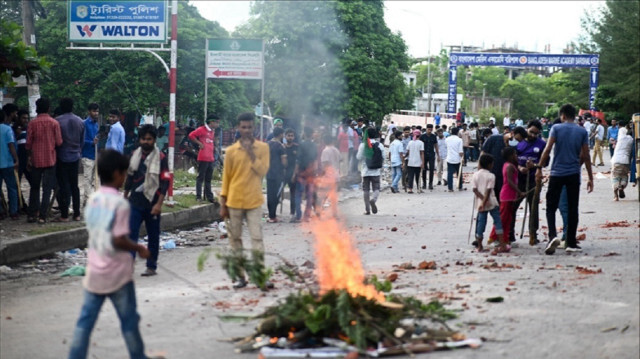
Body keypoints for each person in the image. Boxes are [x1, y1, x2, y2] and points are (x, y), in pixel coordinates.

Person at [67, 149, 159, 359]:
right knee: (129, 321)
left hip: (95, 271)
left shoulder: (93, 200)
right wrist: (139, 249)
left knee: (85, 322)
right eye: (125, 173)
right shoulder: (120, 204)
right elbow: (118, 239)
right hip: (118, 274)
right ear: (118, 174)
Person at [219, 113, 271, 289]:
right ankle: (240, 276)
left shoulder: (263, 148)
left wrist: (251, 153)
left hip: (254, 201)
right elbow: (226, 178)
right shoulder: (231, 151)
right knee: (235, 240)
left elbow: (263, 171)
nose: (247, 130)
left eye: (249, 127)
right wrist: (222, 203)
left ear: (254, 128)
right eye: (243, 127)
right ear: (238, 128)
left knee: (257, 238)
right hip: (234, 200)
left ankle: (259, 275)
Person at [536, 104, 594, 254]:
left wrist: (539, 168)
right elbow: (586, 155)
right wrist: (590, 177)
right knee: (573, 207)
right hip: (573, 174)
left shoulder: (556, 128)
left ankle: (552, 236)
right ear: (574, 115)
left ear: (562, 115)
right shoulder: (582, 131)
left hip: (557, 173)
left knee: (551, 206)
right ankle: (571, 242)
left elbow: (547, 149)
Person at [124, 125, 170, 277]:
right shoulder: (134, 155)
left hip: (152, 203)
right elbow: (129, 177)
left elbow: (165, 181)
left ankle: (151, 266)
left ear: (154, 140)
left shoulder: (161, 158)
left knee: (153, 236)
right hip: (135, 202)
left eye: (149, 139)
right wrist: (124, 196)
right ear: (140, 139)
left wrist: (159, 204)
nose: (146, 142)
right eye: (143, 139)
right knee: (131, 235)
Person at [26, 98, 63, 223]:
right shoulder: (54, 123)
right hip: (50, 160)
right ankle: (42, 216)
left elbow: (28, 144)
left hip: (36, 160)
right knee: (47, 189)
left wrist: (29, 157)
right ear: (48, 108)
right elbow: (59, 142)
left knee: (34, 187)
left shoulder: (32, 123)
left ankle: (32, 214)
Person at [511, 122, 546, 244]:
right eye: (531, 132)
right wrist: (519, 167)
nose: (533, 135)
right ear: (526, 129)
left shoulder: (542, 144)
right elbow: (510, 160)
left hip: (533, 181)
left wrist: (535, 166)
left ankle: (533, 235)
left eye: (536, 133)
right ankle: (510, 234)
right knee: (512, 206)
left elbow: (545, 162)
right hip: (517, 181)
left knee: (533, 208)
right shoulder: (518, 142)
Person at [55, 98, 85, 222]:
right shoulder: (80, 121)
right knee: (75, 186)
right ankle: (77, 213)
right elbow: (82, 141)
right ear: (72, 107)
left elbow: (56, 141)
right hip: (75, 156)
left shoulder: (57, 121)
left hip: (62, 156)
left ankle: (64, 214)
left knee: (64, 186)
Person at [489, 147, 522, 253]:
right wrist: (519, 191)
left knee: (508, 219)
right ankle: (494, 237)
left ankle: (505, 239)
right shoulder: (509, 167)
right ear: (510, 156)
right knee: (503, 218)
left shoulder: (509, 165)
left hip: (510, 195)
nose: (516, 156)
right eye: (515, 154)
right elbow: (509, 181)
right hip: (507, 195)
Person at [471, 154, 502, 252]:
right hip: (491, 202)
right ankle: (502, 243)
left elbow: (475, 190)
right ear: (489, 165)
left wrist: (482, 201)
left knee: (481, 223)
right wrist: (486, 201)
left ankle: (479, 245)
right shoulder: (491, 176)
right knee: (497, 221)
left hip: (480, 203)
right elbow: (488, 191)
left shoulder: (475, 175)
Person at [188, 115, 219, 203]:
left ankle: (210, 197)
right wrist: (199, 143)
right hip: (203, 157)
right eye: (216, 122)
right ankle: (198, 197)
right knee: (200, 177)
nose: (217, 124)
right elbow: (191, 135)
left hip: (210, 158)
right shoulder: (202, 129)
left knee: (208, 179)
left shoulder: (212, 131)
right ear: (211, 122)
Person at [356, 127, 385, 214]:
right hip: (376, 171)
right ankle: (373, 200)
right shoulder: (380, 145)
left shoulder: (363, 145)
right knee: (376, 188)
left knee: (366, 190)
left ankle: (367, 210)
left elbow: (358, 157)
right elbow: (383, 157)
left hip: (365, 171)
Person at [295, 126, 318, 222]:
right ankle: (306, 216)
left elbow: (298, 160)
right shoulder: (314, 145)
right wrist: (315, 170)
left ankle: (298, 214)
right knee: (309, 194)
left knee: (299, 194)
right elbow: (316, 159)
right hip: (311, 172)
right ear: (312, 134)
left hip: (301, 173)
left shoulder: (301, 145)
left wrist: (295, 172)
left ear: (304, 133)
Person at [0, 110, 19, 220]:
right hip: (7, 163)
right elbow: (11, 145)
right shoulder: (7, 129)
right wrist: (16, 159)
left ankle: (1, 211)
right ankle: (14, 212)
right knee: (12, 188)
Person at [82, 103, 100, 207]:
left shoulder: (96, 124)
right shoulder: (84, 124)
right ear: (89, 111)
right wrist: (91, 142)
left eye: (97, 111)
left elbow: (97, 139)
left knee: (94, 180)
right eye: (94, 111)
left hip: (95, 155)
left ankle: (86, 201)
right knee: (87, 179)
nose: (96, 113)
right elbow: (81, 140)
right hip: (87, 155)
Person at [481, 129, 508, 201]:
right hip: (492, 171)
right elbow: (483, 154)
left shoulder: (516, 143)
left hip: (505, 174)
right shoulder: (493, 139)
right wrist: (480, 171)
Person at [266, 127, 286, 222]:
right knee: (276, 195)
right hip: (278, 174)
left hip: (268, 173)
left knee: (270, 194)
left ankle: (271, 215)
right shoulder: (281, 146)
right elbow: (284, 161)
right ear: (281, 134)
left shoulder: (267, 144)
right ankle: (273, 216)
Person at [318, 134, 340, 217]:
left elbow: (325, 165)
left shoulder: (325, 151)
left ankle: (318, 211)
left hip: (328, 176)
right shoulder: (336, 150)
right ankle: (334, 214)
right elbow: (340, 161)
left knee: (323, 194)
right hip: (336, 176)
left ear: (324, 141)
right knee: (333, 196)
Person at [610, 126, 633, 201]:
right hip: (625, 161)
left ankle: (616, 196)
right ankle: (622, 186)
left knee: (615, 177)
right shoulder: (630, 139)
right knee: (624, 176)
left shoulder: (619, 139)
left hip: (616, 161)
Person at [283, 128, 299, 218]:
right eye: (288, 135)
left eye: (291, 136)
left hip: (293, 174)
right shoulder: (282, 147)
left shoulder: (296, 147)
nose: (290, 137)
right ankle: (272, 213)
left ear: (294, 137)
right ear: (285, 136)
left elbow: (298, 161)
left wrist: (294, 174)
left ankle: (292, 213)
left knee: (293, 194)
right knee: (277, 192)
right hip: (283, 173)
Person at [419, 124, 439, 190]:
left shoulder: (434, 136)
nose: (429, 130)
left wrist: (438, 155)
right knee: (424, 169)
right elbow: (420, 146)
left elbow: (436, 145)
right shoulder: (422, 136)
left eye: (431, 129)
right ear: (426, 129)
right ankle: (424, 183)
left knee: (431, 169)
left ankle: (430, 183)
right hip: (424, 154)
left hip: (431, 154)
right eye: (428, 129)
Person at [405, 129, 424, 194]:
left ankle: (410, 189)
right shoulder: (421, 143)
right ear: (419, 135)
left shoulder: (410, 142)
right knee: (418, 176)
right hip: (418, 162)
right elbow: (422, 153)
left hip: (410, 162)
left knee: (410, 176)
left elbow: (408, 152)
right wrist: (423, 162)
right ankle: (419, 188)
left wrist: (404, 157)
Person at [445, 127, 464, 192]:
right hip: (457, 159)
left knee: (450, 173)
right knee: (459, 173)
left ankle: (450, 188)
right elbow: (460, 151)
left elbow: (446, 147)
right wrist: (462, 158)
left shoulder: (447, 139)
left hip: (449, 158)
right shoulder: (459, 140)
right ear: (457, 132)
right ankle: (460, 186)